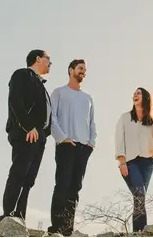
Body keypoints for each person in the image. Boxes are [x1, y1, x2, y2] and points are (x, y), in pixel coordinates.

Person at [1, 49, 53, 223]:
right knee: (19, 172)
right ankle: (8, 214)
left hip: (39, 136)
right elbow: (15, 101)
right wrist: (28, 127)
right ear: (38, 59)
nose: (50, 64)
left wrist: (44, 133)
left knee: (29, 178)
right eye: (48, 59)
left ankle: (19, 215)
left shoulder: (41, 84)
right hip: (26, 133)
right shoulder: (22, 75)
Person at [48, 59, 97, 236]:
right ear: (71, 70)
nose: (83, 71)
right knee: (62, 184)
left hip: (84, 148)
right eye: (80, 68)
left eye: (85, 69)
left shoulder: (88, 98)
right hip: (66, 145)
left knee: (75, 187)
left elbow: (92, 123)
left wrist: (91, 143)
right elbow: (52, 118)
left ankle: (68, 228)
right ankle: (56, 227)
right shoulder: (59, 93)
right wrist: (63, 138)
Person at [114, 87, 153, 233]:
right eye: (134, 93)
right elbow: (119, 140)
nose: (135, 95)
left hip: (147, 163)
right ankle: (142, 231)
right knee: (139, 193)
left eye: (138, 93)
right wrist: (122, 161)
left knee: (140, 197)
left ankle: (138, 233)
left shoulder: (152, 123)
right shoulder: (125, 118)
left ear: (145, 98)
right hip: (130, 162)